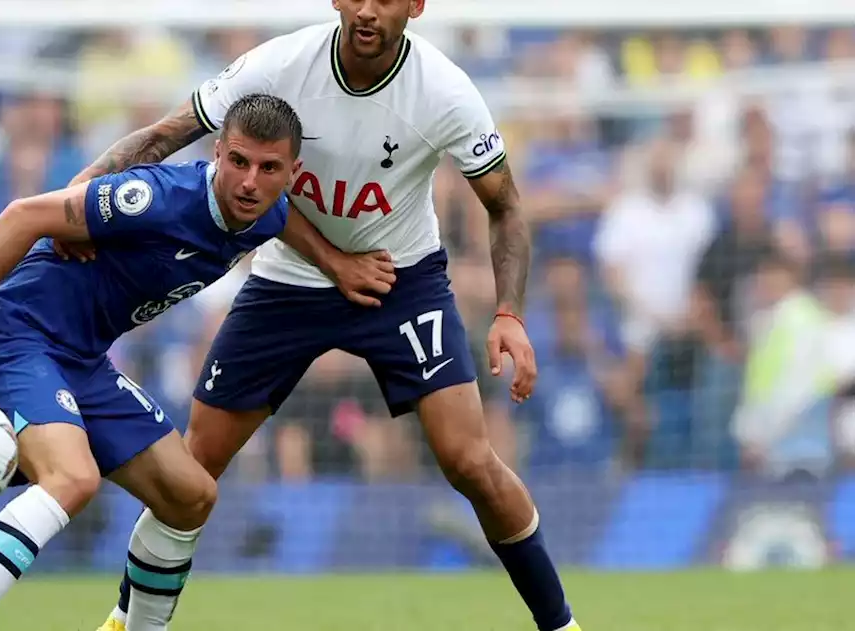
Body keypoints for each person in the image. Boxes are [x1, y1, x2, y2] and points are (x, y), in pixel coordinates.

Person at [64, 3, 580, 631]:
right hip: (289, 279)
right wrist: (77, 197)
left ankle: (561, 625)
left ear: (416, 6)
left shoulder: (445, 92)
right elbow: (165, 135)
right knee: (192, 466)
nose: (367, 10)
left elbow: (505, 206)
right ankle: (127, 619)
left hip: (402, 279)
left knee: (469, 459)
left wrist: (509, 314)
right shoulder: (280, 65)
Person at [0, 94, 393, 631]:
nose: (250, 182)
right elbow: (22, 215)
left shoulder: (267, 210)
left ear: (292, 173)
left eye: (268, 168)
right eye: (237, 161)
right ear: (217, 153)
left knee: (190, 496)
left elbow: (285, 221)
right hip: (16, 336)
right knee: (73, 478)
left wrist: (336, 262)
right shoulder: (156, 199)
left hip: (82, 361)